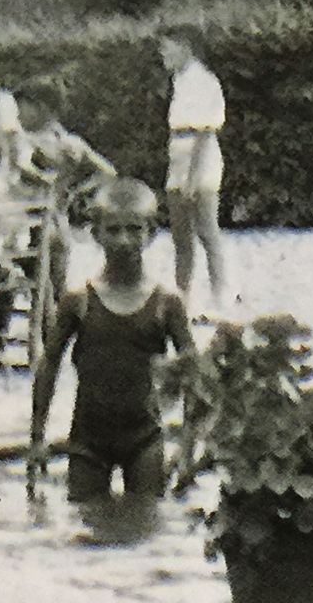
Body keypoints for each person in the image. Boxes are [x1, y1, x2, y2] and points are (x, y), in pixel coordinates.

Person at [28, 178, 195, 501]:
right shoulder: (78, 300)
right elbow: (49, 364)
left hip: (145, 437)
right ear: (96, 234)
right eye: (113, 230)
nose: (123, 240)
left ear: (151, 234)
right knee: (84, 523)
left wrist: (187, 448)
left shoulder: (166, 302)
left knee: (147, 519)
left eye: (134, 230)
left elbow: (195, 374)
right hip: (87, 440)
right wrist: (37, 437)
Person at [13, 78, 116, 296]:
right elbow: (108, 173)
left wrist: (42, 178)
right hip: (59, 223)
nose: (17, 115)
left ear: (41, 108)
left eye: (21, 108)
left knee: (33, 286)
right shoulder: (72, 143)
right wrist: (80, 190)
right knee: (55, 289)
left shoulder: (27, 141)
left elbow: (22, 167)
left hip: (29, 224)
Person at [158, 27, 228, 313]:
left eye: (167, 48)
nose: (163, 54)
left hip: (201, 159)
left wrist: (191, 178)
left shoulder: (203, 81)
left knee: (207, 230)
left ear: (184, 47)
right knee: (180, 234)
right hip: (179, 155)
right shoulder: (180, 80)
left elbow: (203, 132)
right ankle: (182, 296)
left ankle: (219, 294)